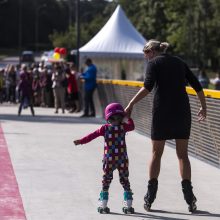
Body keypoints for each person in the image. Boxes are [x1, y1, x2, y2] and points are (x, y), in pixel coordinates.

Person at [125, 39, 206, 213]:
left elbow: (147, 87)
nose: (146, 57)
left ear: (151, 51)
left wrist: (131, 104)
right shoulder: (179, 62)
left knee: (156, 153)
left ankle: (150, 197)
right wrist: (203, 107)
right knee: (183, 155)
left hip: (162, 112)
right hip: (182, 112)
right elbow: (197, 86)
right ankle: (190, 198)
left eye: (146, 54)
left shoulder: (154, 63)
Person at [74, 103, 135, 214]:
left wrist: (81, 141)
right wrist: (128, 118)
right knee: (125, 180)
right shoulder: (124, 127)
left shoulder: (104, 128)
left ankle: (103, 204)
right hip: (122, 160)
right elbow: (132, 126)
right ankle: (129, 204)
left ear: (108, 117)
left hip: (109, 160)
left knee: (106, 181)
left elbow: (91, 136)